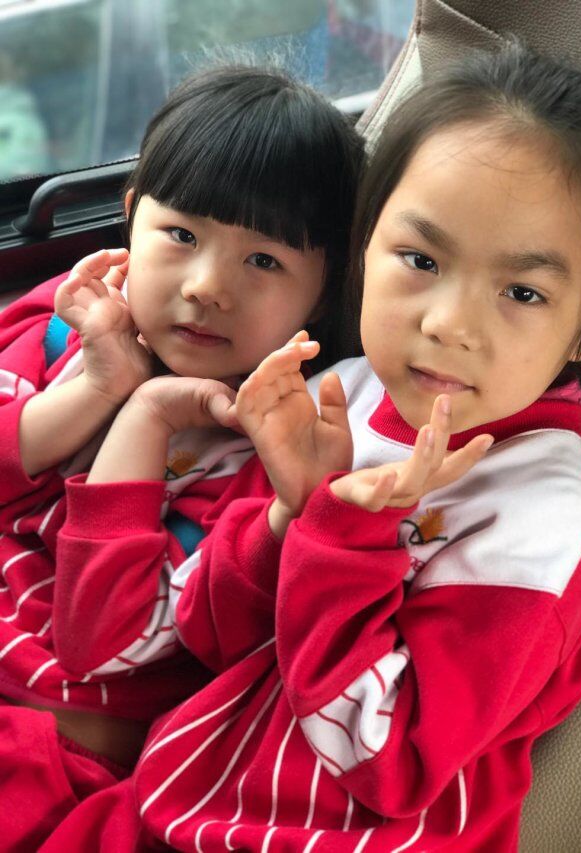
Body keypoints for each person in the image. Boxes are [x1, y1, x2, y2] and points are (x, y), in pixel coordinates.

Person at [41, 39, 581, 851]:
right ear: (365, 249)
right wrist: (287, 513)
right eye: (420, 259)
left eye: (523, 292)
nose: (448, 323)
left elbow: (387, 762)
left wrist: (340, 537)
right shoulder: (342, 393)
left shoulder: (536, 518)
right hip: (181, 795)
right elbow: (209, 628)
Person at [0, 64, 363, 849]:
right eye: (182, 236)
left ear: (325, 292)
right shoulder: (71, 326)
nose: (206, 286)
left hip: (55, 754)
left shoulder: (267, 464)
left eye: (263, 261)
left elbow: (101, 643)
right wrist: (97, 388)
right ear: (132, 218)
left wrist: (146, 416)